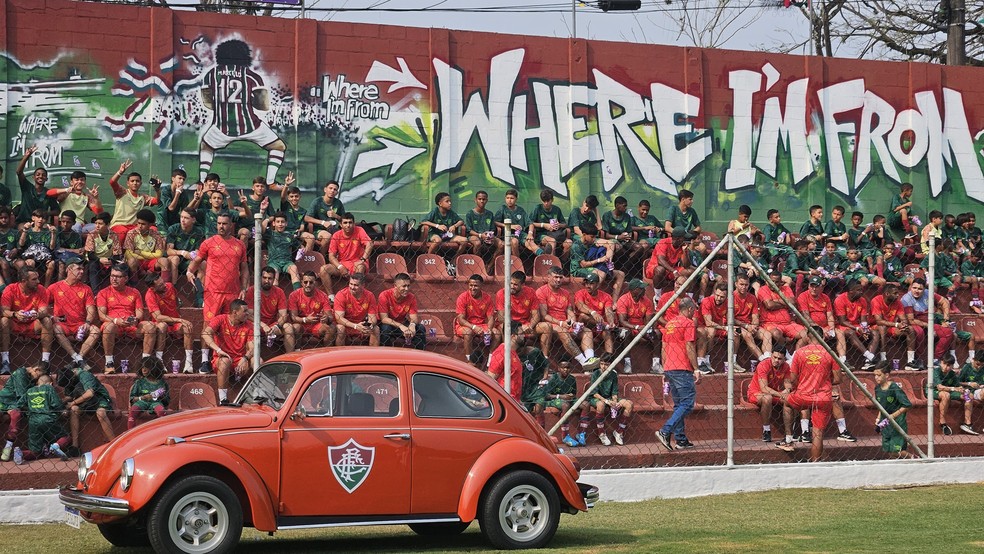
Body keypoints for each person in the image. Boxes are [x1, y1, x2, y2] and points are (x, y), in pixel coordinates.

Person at [198, 39, 286, 185]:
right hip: (251, 126)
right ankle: (271, 182)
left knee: (206, 146)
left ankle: (202, 181)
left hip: (221, 127)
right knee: (279, 146)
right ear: (245, 56)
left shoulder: (211, 74)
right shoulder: (252, 76)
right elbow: (263, 105)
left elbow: (207, 102)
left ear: (220, 55)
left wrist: (223, 106)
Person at [187, 212, 248, 373]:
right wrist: (189, 271)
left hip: (233, 292)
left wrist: (244, 288)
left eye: (224, 223)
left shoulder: (239, 245)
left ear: (231, 225)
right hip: (212, 292)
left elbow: (244, 268)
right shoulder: (209, 243)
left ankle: (227, 357)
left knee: (230, 324)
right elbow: (198, 260)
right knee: (209, 325)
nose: (221, 226)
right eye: (219, 223)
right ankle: (205, 360)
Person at [780, 327, 841, 461]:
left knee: (787, 403)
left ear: (807, 337)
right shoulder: (830, 353)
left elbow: (793, 378)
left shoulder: (800, 353)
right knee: (818, 434)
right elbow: (838, 379)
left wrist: (800, 384)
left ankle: (789, 437)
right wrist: (824, 380)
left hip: (803, 395)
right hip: (823, 397)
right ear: (823, 337)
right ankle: (815, 462)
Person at [655, 297, 700, 450]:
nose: (694, 313)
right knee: (687, 403)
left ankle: (680, 439)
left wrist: (665, 368)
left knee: (679, 404)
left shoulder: (669, 324)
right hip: (682, 367)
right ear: (689, 309)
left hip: (670, 366)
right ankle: (665, 430)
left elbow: (663, 347)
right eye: (693, 310)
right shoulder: (688, 323)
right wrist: (696, 368)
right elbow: (689, 347)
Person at [96, 264, 159, 374]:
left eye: (118, 276)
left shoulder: (134, 292)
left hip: (131, 325)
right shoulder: (103, 293)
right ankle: (109, 363)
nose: (114, 279)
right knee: (109, 326)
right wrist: (116, 321)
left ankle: (145, 363)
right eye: (112, 276)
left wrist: (134, 319)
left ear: (125, 279)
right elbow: (102, 315)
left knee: (151, 326)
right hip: (114, 325)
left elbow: (139, 313)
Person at [536, 266, 600, 370]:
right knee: (563, 331)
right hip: (552, 325)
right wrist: (561, 323)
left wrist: (573, 322)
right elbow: (544, 316)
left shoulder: (565, 293)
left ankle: (590, 360)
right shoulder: (541, 292)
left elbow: (569, 310)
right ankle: (584, 362)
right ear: (548, 277)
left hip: (566, 323)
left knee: (587, 331)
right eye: (555, 277)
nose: (558, 280)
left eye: (560, 277)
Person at [48, 260, 100, 370]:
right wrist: (51, 317)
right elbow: (42, 304)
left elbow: (91, 308)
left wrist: (87, 322)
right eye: (78, 269)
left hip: (80, 325)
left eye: (82, 269)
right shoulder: (55, 287)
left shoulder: (86, 288)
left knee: (96, 330)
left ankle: (77, 359)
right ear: (68, 270)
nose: (81, 271)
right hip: (63, 324)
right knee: (56, 328)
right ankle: (76, 357)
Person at [0, 267, 54, 373]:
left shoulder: (41, 289)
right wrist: (15, 314)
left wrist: (37, 314)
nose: (38, 281)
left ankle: (45, 361)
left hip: (33, 323)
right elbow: (4, 311)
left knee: (47, 320)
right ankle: (5, 361)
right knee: (4, 321)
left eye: (38, 278)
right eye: (34, 279)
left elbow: (44, 311)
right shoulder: (10, 289)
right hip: (15, 322)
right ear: (24, 281)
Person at [201, 299, 256, 404]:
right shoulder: (220, 319)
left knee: (258, 360)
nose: (247, 314)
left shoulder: (248, 325)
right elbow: (205, 334)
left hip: (240, 359)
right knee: (225, 361)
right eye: (244, 311)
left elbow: (252, 347)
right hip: (222, 358)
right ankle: (223, 399)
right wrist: (218, 350)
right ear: (235, 312)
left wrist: (245, 358)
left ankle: (257, 393)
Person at [13, 373, 71, 464]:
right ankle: (56, 445)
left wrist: (30, 410)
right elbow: (57, 404)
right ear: (50, 383)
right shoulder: (49, 388)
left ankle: (21, 453)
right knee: (66, 437)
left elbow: (19, 404)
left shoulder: (29, 390)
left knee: (36, 451)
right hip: (48, 418)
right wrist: (63, 409)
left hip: (33, 420)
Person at [144, 272, 195, 373]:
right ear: (153, 288)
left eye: (163, 282)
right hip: (160, 324)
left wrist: (179, 318)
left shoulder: (170, 286)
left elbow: (176, 303)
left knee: (188, 326)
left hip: (175, 324)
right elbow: (158, 317)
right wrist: (179, 319)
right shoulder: (150, 295)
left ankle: (189, 363)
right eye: (160, 285)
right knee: (162, 326)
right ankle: (160, 361)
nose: (164, 285)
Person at [580, 354, 633, 446]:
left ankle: (619, 432)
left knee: (629, 404)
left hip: (609, 398)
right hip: (596, 398)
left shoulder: (613, 375)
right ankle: (601, 433)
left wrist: (615, 401)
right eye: (601, 364)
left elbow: (614, 392)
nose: (603, 366)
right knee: (601, 405)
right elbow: (595, 393)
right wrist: (607, 401)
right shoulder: (596, 374)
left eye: (606, 364)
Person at [901, 278, 954, 369]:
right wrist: (930, 327)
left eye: (920, 289)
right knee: (919, 331)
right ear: (911, 287)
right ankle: (918, 360)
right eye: (914, 288)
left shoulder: (928, 293)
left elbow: (945, 301)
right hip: (916, 322)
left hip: (930, 321)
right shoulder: (906, 298)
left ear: (924, 289)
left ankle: (936, 360)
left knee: (948, 333)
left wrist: (946, 320)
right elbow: (911, 320)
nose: (916, 291)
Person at [61, 363, 116, 450]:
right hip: (85, 403)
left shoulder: (84, 375)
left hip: (98, 399)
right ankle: (75, 447)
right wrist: (62, 402)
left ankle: (114, 443)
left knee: (100, 413)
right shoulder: (68, 380)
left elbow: (90, 394)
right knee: (74, 409)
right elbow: (69, 396)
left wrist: (72, 402)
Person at [747, 351, 794, 447]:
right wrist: (780, 394)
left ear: (784, 359)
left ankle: (789, 436)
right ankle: (766, 430)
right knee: (767, 398)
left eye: (780, 358)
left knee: (790, 399)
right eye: (774, 357)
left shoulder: (785, 366)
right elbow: (764, 388)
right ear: (771, 356)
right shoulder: (763, 365)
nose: (776, 360)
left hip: (774, 393)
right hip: (756, 393)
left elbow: (788, 384)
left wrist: (788, 389)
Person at [757, 272, 807, 360]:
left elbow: (793, 302)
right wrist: (785, 302)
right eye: (771, 281)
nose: (774, 284)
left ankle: (794, 357)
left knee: (806, 334)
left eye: (777, 282)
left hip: (788, 324)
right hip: (770, 323)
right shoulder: (763, 289)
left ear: (781, 282)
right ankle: (786, 352)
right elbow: (769, 305)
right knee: (776, 333)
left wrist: (775, 301)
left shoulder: (786, 288)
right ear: (767, 281)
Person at [108, 160, 161, 243]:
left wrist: (157, 190)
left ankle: (150, 254)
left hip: (135, 227)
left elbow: (157, 201)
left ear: (140, 183)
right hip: (119, 225)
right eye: (132, 181)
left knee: (153, 229)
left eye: (137, 181)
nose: (135, 183)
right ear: (128, 183)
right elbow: (112, 182)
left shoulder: (143, 197)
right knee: (123, 232)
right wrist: (120, 172)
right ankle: (118, 255)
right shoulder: (122, 192)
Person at [615, 279, 661, 373]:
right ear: (633, 290)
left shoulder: (647, 301)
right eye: (641, 288)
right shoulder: (623, 300)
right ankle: (628, 365)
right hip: (627, 328)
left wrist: (646, 328)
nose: (644, 290)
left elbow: (649, 321)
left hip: (641, 328)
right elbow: (622, 321)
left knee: (656, 333)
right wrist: (636, 327)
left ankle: (656, 364)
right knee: (626, 333)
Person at [320, 212, 371, 297]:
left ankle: (355, 295)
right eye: (345, 223)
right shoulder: (336, 235)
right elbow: (331, 256)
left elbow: (370, 244)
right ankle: (331, 297)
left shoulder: (359, 230)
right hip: (343, 264)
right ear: (340, 224)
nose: (348, 225)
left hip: (357, 263)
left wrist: (362, 260)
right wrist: (340, 267)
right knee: (324, 269)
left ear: (354, 224)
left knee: (360, 266)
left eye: (350, 222)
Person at [700, 282, 747, 373]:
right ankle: (706, 361)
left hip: (719, 327)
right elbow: (708, 323)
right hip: (704, 327)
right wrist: (725, 328)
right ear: (714, 292)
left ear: (727, 297)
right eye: (717, 295)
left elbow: (730, 320)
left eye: (722, 297)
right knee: (711, 331)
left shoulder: (728, 303)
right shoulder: (707, 301)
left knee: (736, 332)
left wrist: (731, 328)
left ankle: (732, 362)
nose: (718, 298)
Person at [246, 266, 295, 353]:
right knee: (248, 328)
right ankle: (253, 359)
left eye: (270, 278)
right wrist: (263, 325)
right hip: (256, 325)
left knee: (288, 327)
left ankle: (290, 357)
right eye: (264, 278)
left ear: (274, 280)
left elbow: (283, 315)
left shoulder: (279, 292)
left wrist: (277, 326)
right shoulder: (252, 290)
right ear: (260, 277)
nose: (267, 281)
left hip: (273, 326)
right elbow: (249, 315)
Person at [0, 365, 44, 461]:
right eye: (38, 376)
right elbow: (22, 395)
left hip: (15, 405)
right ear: (36, 369)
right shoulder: (21, 373)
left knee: (16, 414)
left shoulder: (30, 378)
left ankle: (8, 446)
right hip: (4, 401)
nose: (37, 380)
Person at [834, 280, 879, 370]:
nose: (861, 292)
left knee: (875, 333)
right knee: (851, 333)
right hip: (843, 326)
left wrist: (865, 329)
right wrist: (858, 328)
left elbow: (863, 319)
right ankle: (869, 355)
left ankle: (868, 362)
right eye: (858, 290)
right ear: (851, 291)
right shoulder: (840, 299)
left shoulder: (862, 300)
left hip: (857, 325)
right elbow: (842, 321)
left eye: (861, 290)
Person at [455, 274, 499, 365]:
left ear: (481, 286)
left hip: (481, 325)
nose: (473, 288)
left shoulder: (487, 298)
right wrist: (473, 327)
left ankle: (490, 361)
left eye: (476, 286)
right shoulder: (463, 297)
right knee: (468, 332)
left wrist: (489, 330)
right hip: (465, 325)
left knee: (497, 333)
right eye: (471, 285)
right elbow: (460, 319)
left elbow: (491, 318)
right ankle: (469, 360)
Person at [870, 282, 917, 368]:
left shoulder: (898, 303)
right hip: (875, 327)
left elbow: (903, 319)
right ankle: (883, 359)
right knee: (882, 327)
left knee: (910, 329)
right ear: (887, 294)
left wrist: (904, 325)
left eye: (898, 293)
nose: (898, 295)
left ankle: (910, 361)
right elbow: (879, 321)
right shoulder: (876, 300)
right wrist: (896, 324)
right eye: (895, 293)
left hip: (892, 327)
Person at [929, 354, 976, 436]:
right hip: (934, 391)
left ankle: (967, 423)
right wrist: (954, 389)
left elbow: (958, 385)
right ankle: (942, 422)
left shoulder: (952, 373)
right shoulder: (935, 371)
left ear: (952, 366)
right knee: (946, 395)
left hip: (950, 392)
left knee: (969, 396)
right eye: (944, 364)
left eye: (949, 365)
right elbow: (940, 387)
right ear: (940, 363)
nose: (945, 367)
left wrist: (963, 390)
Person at [873, 362, 913, 458]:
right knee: (890, 452)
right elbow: (881, 406)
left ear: (886, 375)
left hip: (897, 423)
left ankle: (915, 459)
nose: (876, 377)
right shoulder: (877, 388)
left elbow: (907, 405)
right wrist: (878, 418)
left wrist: (893, 416)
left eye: (879, 375)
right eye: (874, 375)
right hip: (885, 424)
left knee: (896, 451)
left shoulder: (894, 388)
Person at [378, 273, 425, 349]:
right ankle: (386, 355)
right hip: (389, 324)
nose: (407, 289)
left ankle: (421, 355)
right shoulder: (384, 295)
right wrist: (401, 326)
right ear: (395, 286)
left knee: (420, 328)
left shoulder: (411, 297)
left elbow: (414, 317)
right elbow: (384, 319)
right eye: (404, 286)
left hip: (402, 323)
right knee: (385, 329)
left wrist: (412, 325)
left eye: (408, 286)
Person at [495, 270, 545, 344]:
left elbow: (536, 315)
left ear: (522, 285)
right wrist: (518, 328)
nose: (512, 287)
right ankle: (508, 352)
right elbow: (501, 318)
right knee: (504, 326)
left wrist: (530, 326)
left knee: (547, 327)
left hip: (526, 325)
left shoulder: (530, 292)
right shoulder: (501, 293)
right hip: (509, 324)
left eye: (515, 284)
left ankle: (545, 355)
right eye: (510, 283)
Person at [733, 274, 771, 371]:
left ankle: (768, 357)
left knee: (767, 334)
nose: (743, 287)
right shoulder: (731, 297)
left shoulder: (752, 298)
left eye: (746, 285)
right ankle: (764, 361)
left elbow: (755, 316)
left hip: (749, 325)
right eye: (741, 284)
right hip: (736, 325)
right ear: (736, 284)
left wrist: (754, 326)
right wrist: (746, 326)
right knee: (748, 335)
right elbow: (730, 319)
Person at [288, 272, 335, 347]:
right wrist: (305, 319)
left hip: (317, 325)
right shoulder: (294, 295)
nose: (308, 285)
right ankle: (297, 351)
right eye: (305, 282)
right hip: (301, 324)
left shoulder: (323, 295)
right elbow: (293, 317)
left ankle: (326, 353)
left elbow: (330, 316)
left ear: (315, 283)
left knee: (331, 328)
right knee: (296, 327)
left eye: (311, 282)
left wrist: (326, 318)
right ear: (301, 283)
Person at [574, 273, 616, 357]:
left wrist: (611, 322)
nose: (588, 286)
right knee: (583, 315)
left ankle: (609, 360)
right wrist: (593, 312)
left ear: (597, 285)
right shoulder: (580, 293)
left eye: (591, 283)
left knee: (607, 333)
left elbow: (608, 311)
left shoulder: (606, 296)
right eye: (586, 283)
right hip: (583, 326)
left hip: (599, 327)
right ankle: (605, 326)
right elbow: (580, 306)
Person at [165, 208, 205, 295]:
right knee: (175, 259)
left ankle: (199, 293)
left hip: (190, 262)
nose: (182, 220)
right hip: (175, 261)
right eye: (181, 217)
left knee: (203, 263)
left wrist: (192, 256)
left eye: (186, 218)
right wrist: (183, 252)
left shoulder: (199, 231)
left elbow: (198, 251)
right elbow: (168, 251)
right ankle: (173, 291)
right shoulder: (173, 228)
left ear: (193, 220)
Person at [123, 209, 170, 283]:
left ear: (150, 225)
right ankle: (134, 286)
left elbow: (159, 254)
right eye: (138, 223)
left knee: (164, 261)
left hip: (151, 262)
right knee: (132, 261)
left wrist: (140, 252)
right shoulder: (131, 233)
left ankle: (166, 286)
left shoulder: (156, 234)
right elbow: (128, 254)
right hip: (138, 261)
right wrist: (143, 258)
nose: (140, 226)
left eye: (143, 224)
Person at [14, 145, 58, 224]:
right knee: (23, 229)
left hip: (40, 223)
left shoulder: (48, 193)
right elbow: (19, 172)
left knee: (47, 232)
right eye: (38, 174)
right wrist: (27, 156)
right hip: (24, 221)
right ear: (33, 177)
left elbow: (57, 210)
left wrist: (46, 213)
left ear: (46, 179)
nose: (40, 176)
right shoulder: (27, 187)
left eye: (43, 175)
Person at [333, 273, 379, 346]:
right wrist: (355, 326)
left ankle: (373, 355)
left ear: (363, 285)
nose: (352, 287)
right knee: (340, 328)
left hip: (361, 325)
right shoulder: (341, 294)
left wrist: (368, 326)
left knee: (376, 329)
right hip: (346, 325)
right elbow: (339, 318)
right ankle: (340, 355)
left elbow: (372, 317)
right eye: (351, 284)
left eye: (356, 285)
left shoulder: (370, 295)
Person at [261, 211, 301, 290]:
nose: (280, 224)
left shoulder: (289, 235)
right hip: (273, 262)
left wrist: (303, 248)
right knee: (275, 272)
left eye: (282, 222)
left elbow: (299, 245)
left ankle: (297, 295)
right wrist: (266, 220)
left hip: (287, 262)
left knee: (294, 269)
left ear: (286, 223)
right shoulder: (270, 234)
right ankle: (274, 297)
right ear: (274, 223)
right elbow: (261, 230)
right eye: (278, 222)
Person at [16, 209, 57, 285]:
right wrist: (25, 231)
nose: (40, 219)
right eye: (38, 217)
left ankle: (46, 287)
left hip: (44, 257)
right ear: (33, 218)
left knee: (52, 264)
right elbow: (21, 244)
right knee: (31, 263)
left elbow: (51, 247)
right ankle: (33, 285)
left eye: (43, 218)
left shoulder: (47, 232)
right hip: (31, 256)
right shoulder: (28, 230)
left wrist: (53, 234)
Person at [127, 357, 170, 430]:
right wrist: (143, 397)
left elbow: (167, 401)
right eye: (142, 367)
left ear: (154, 368)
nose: (144, 370)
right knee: (133, 411)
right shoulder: (139, 383)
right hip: (142, 402)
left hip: (156, 402)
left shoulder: (162, 383)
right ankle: (130, 433)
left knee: (161, 411)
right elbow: (132, 399)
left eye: (146, 367)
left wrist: (161, 396)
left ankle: (164, 431)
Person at [644, 227, 692, 293]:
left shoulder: (682, 246)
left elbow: (686, 265)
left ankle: (688, 297)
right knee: (660, 270)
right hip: (654, 268)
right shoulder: (663, 242)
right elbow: (660, 261)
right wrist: (674, 271)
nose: (686, 240)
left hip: (670, 270)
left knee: (689, 272)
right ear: (678, 239)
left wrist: (685, 251)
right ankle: (657, 297)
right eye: (684, 238)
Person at [543, 361, 579, 446]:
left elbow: (574, 393)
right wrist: (561, 396)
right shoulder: (553, 378)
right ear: (559, 368)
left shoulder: (572, 379)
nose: (565, 370)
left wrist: (571, 396)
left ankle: (581, 433)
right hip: (554, 400)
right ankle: (565, 435)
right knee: (565, 405)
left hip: (568, 399)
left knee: (585, 404)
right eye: (563, 368)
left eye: (568, 368)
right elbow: (546, 395)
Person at [305, 180, 346, 253]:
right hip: (317, 230)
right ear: (325, 189)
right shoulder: (317, 201)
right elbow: (307, 218)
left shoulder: (338, 203)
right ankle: (322, 258)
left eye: (335, 189)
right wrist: (323, 222)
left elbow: (344, 220)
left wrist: (336, 216)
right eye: (330, 188)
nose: (332, 191)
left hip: (333, 229)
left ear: (337, 192)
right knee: (327, 236)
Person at [85, 212, 122, 292]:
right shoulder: (92, 234)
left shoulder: (114, 235)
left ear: (107, 225)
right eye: (96, 223)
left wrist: (110, 260)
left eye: (100, 224)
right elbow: (90, 254)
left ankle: (113, 292)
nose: (97, 226)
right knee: (93, 266)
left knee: (119, 267)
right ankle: (95, 293)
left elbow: (117, 254)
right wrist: (100, 260)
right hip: (95, 260)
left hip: (109, 260)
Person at [527, 189, 569, 256]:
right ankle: (551, 263)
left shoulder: (557, 209)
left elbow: (565, 224)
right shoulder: (537, 208)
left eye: (548, 201)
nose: (546, 203)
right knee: (552, 241)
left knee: (569, 242)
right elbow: (530, 222)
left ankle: (562, 263)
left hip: (556, 234)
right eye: (544, 201)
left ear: (552, 200)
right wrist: (543, 225)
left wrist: (559, 225)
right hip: (541, 235)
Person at [486, 333, 522, 402]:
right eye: (521, 334)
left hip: (513, 400)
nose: (524, 336)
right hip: (503, 399)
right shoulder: (502, 351)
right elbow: (491, 377)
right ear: (513, 336)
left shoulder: (513, 352)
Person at [464, 190, 500, 256]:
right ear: (475, 200)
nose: (481, 201)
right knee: (477, 243)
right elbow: (469, 230)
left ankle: (490, 266)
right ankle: (479, 264)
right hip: (474, 236)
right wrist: (480, 235)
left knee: (501, 244)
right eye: (479, 199)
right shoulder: (470, 214)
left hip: (487, 236)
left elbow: (492, 229)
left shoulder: (490, 214)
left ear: (486, 200)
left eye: (483, 199)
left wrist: (489, 235)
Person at [495, 189, 528, 255]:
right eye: (507, 198)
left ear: (516, 199)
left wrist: (530, 233)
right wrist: (509, 226)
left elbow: (529, 222)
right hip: (508, 235)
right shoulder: (503, 209)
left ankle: (541, 253)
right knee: (514, 242)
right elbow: (495, 222)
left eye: (512, 198)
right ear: (505, 198)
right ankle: (518, 263)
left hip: (521, 234)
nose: (509, 200)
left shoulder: (520, 210)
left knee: (530, 241)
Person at [959, 351, 984, 433]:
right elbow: (958, 382)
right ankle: (967, 424)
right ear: (973, 360)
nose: (979, 367)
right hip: (966, 390)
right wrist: (969, 383)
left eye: (982, 365)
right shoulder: (967, 367)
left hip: (979, 391)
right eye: (977, 364)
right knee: (968, 397)